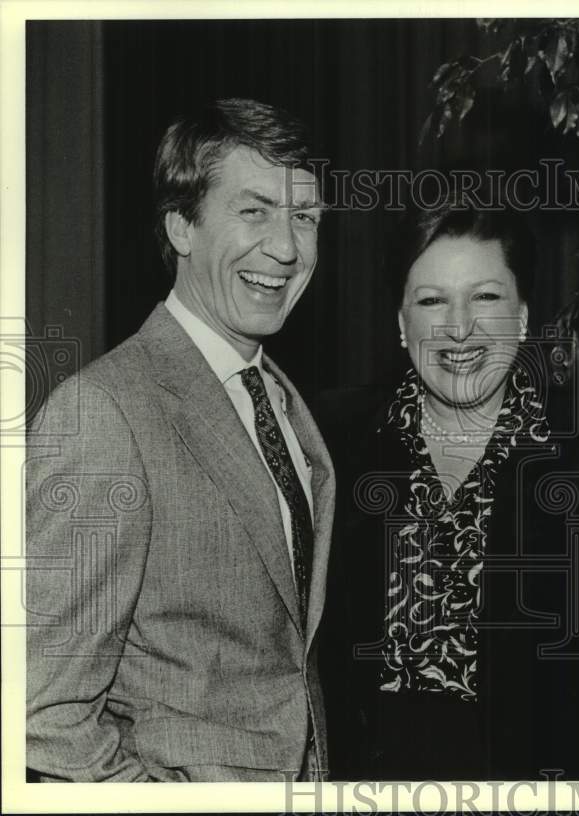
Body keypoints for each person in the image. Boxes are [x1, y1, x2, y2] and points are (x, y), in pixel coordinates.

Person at [25, 98, 334, 782]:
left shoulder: (283, 404)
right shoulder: (106, 413)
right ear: (181, 226)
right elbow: (40, 719)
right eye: (254, 211)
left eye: (304, 217)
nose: (286, 248)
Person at [316, 202, 579, 780]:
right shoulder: (331, 442)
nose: (459, 327)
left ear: (523, 316)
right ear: (401, 324)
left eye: (485, 297)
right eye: (432, 301)